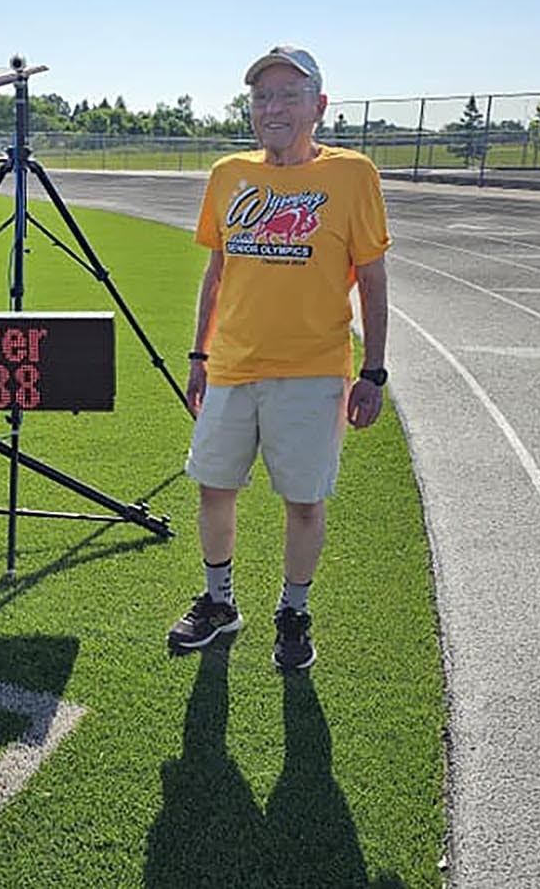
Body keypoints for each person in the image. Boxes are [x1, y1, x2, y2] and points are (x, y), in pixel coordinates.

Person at [167, 46, 391, 671]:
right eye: (263, 96)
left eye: (289, 95)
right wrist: (198, 354)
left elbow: (372, 279)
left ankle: (293, 612)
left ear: (318, 106)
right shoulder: (228, 174)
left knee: (303, 502)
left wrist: (373, 370)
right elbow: (217, 273)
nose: (273, 108)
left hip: (313, 370)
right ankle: (219, 603)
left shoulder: (352, 176)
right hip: (232, 365)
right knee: (214, 488)